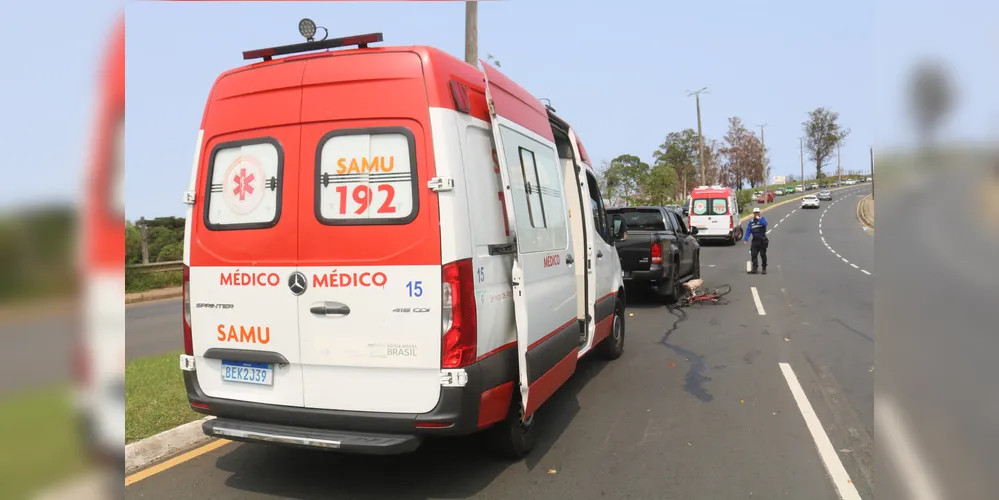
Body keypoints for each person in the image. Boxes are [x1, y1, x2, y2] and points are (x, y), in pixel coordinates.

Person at [743, 207, 769, 274]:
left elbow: (765, 224)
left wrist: (759, 219)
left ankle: (764, 268)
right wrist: (746, 239)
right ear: (753, 214)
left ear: (759, 213)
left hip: (762, 240)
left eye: (757, 212)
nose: (756, 214)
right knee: (753, 254)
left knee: (763, 255)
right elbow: (748, 230)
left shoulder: (762, 219)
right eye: (755, 213)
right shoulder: (751, 222)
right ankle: (755, 268)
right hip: (755, 240)